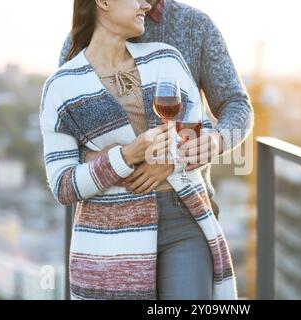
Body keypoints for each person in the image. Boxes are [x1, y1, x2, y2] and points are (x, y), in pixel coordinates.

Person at [40, 0, 237, 300]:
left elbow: (202, 130)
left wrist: (171, 160)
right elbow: (63, 184)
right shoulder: (61, 86)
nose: (145, 4)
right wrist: (127, 155)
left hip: (181, 216)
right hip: (110, 234)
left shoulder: (166, 59)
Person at [59, 0, 255, 218]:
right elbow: (67, 144)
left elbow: (236, 103)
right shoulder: (80, 41)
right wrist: (124, 159)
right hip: (108, 216)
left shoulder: (196, 26)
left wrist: (213, 141)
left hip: (186, 207)